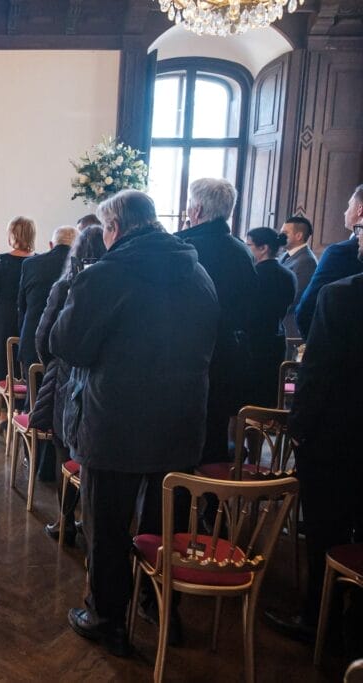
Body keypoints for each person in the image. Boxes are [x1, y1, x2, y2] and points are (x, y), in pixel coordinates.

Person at [51, 190, 218, 658]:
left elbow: (70, 345)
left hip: (115, 422)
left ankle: (106, 618)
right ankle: (158, 603)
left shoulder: (106, 275)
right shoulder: (197, 272)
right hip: (182, 420)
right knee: (165, 522)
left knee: (106, 525)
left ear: (114, 229)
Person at [265, 232, 363, 644]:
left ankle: (318, 617)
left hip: (337, 435)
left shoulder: (342, 297)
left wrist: (299, 430)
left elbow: (317, 373)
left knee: (325, 528)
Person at [32, 226, 106, 545]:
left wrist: (54, 364)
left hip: (67, 380)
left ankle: (66, 521)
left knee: (66, 449)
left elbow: (44, 337)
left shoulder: (66, 286)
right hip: (104, 385)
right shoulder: (118, 285)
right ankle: (95, 526)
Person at [178, 178, 256, 465]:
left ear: (196, 210)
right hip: (226, 359)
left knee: (180, 440)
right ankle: (212, 505)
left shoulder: (182, 248)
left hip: (185, 359)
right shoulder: (241, 252)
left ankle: (178, 503)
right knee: (214, 435)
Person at [0, 216, 35, 409]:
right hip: (28, 318)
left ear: (13, 234)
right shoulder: (37, 261)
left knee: (0, 358)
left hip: (3, 316)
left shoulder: (1, 260)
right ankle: (24, 401)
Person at [295, 185, 363, 338]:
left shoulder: (339, 253)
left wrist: (315, 349)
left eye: (349, 206)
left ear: (360, 209)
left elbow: (306, 309)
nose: (345, 212)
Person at [244, 227, 295, 408]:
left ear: (263, 247)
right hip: (276, 341)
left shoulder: (254, 275)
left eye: (249, 244)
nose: (246, 248)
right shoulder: (289, 275)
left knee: (245, 402)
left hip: (252, 343)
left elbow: (248, 311)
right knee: (265, 402)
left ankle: (240, 436)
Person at [17, 225, 78, 372]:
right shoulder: (79, 265)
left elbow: (22, 304)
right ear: (77, 245)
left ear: (51, 245)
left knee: (33, 392)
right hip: (67, 345)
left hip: (32, 339)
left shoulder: (30, 263)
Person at [278, 216, 317, 340]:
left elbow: (295, 298)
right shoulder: (285, 255)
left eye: (284, 233)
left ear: (298, 236)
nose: (280, 236)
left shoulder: (307, 261)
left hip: (290, 328)